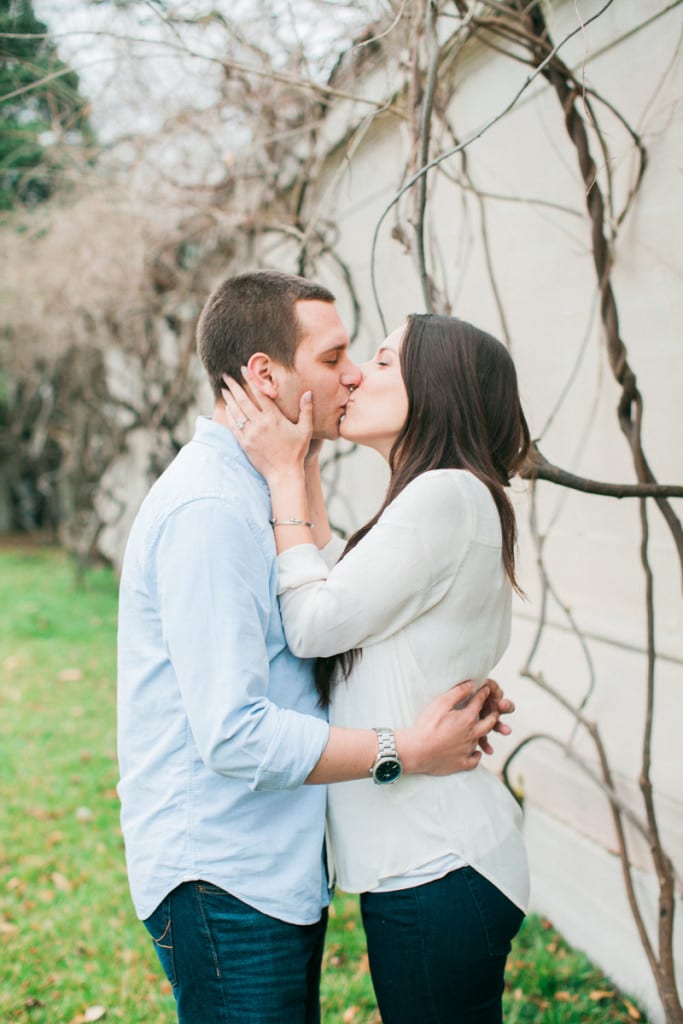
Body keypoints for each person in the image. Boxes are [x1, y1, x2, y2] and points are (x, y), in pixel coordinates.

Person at [116, 272, 514, 1024]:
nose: (354, 372)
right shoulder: (212, 509)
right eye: (333, 358)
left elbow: (328, 618)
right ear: (266, 375)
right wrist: (405, 745)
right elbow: (233, 732)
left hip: (276, 866)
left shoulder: (264, 491)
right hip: (224, 876)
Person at [221, 311, 531, 1024]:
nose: (358, 373)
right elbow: (338, 594)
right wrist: (300, 463)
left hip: (437, 862)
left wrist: (281, 481)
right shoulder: (445, 497)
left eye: (385, 362)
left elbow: (312, 623)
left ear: (437, 388)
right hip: (436, 862)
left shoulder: (443, 495)